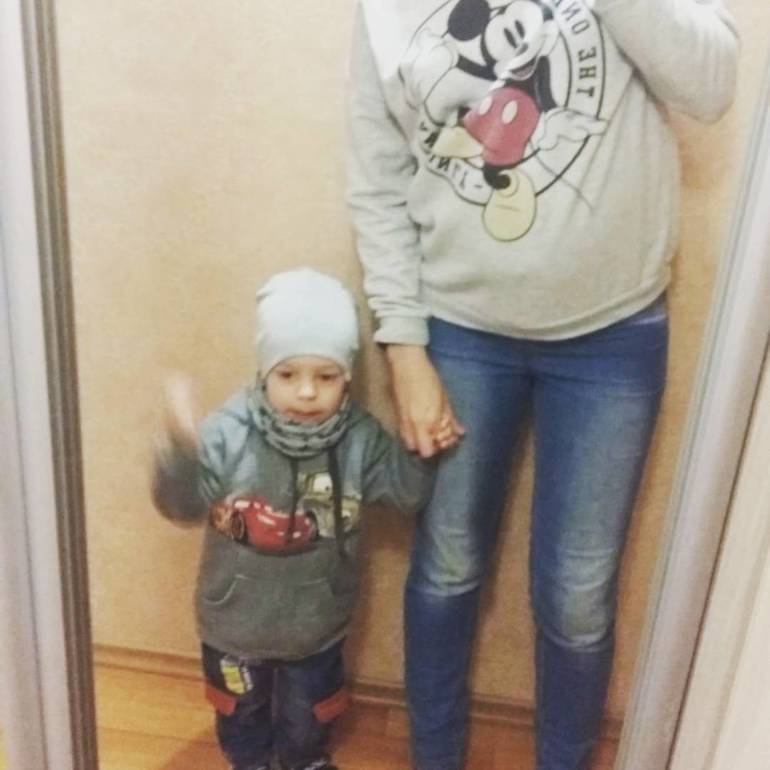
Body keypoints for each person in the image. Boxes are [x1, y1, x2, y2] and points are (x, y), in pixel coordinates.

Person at [346, 1, 738, 768]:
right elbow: (376, 174)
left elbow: (711, 85)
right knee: (448, 567)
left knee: (578, 596)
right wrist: (403, 346)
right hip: (456, 326)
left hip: (613, 332)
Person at [151, 268, 434, 770]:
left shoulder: (360, 440)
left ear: (347, 377)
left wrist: (421, 436)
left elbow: (408, 496)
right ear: (264, 371)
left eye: (326, 376)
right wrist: (182, 450)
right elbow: (181, 507)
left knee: (310, 717)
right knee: (240, 716)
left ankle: (305, 760)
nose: (306, 392)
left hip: (317, 625)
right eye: (288, 375)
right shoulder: (228, 433)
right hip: (233, 626)